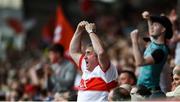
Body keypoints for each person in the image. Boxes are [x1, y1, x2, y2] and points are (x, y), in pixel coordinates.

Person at [69, 21, 118, 101]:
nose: (84, 57)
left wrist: (91, 32)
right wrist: (79, 30)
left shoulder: (105, 69)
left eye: (88, 53)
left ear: (97, 56)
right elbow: (73, 51)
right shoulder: (85, 67)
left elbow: (101, 52)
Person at [130, 11, 173, 98]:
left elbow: (140, 62)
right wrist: (149, 18)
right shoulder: (154, 43)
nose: (152, 27)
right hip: (143, 89)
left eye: (156, 25)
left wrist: (134, 41)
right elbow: (151, 32)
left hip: (150, 92)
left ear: (163, 29)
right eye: (152, 25)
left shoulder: (160, 51)